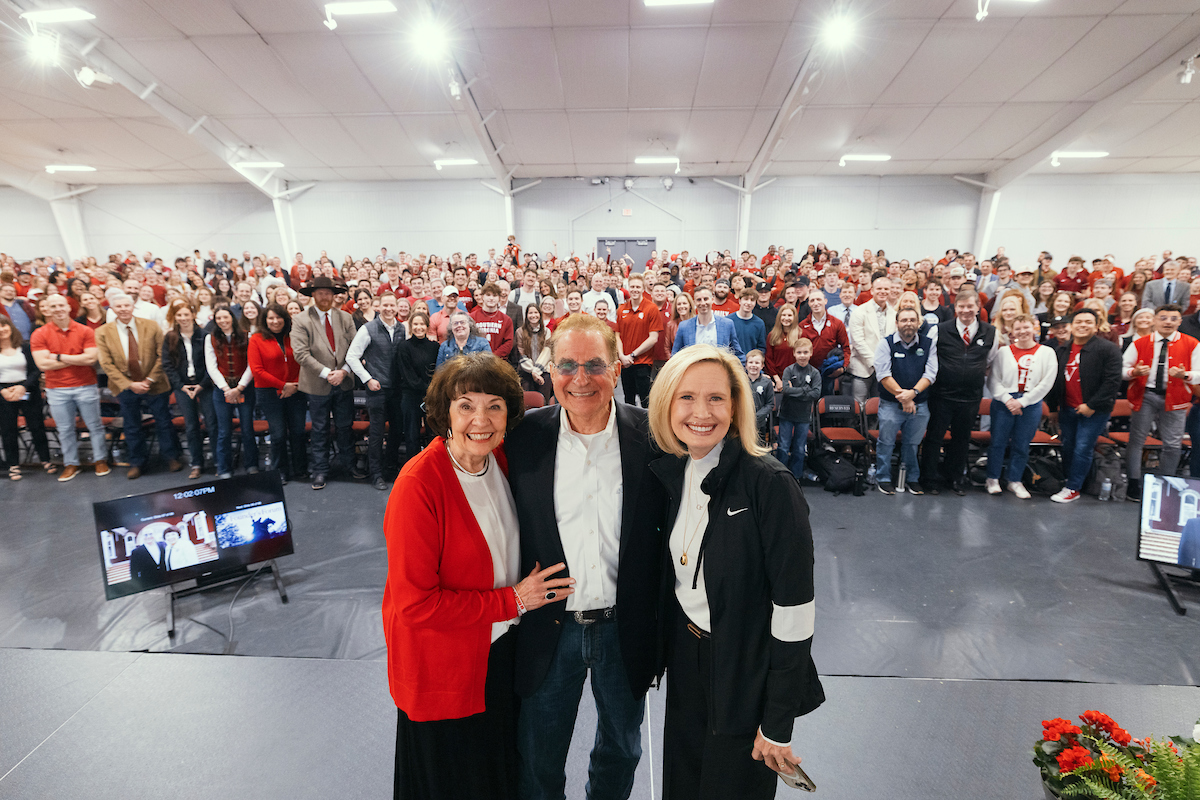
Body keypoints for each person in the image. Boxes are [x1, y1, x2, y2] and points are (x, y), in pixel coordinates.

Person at [382, 352, 573, 800]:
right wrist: (515, 601)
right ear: (444, 413)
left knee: (492, 776)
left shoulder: (500, 462)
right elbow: (416, 604)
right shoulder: (419, 485)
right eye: (466, 405)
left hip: (495, 657)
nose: (480, 419)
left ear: (509, 414)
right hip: (444, 670)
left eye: (494, 406)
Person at [646, 344, 823, 800]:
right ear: (666, 404)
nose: (700, 412)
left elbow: (794, 612)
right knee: (683, 783)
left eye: (716, 398)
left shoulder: (770, 485)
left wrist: (778, 723)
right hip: (687, 659)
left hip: (746, 669)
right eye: (686, 397)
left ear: (736, 405)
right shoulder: (675, 470)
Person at [504, 314, 667, 800]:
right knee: (539, 756)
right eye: (567, 365)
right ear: (549, 371)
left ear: (618, 368)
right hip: (550, 627)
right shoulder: (522, 437)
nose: (580, 379)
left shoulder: (654, 437)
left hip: (626, 626)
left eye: (594, 365)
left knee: (622, 750)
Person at [920, 289, 996, 496]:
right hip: (942, 394)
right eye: (961, 306)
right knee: (934, 438)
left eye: (970, 306)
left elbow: (989, 360)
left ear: (978, 307)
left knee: (961, 439)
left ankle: (954, 478)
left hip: (971, 396)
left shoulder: (990, 332)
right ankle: (929, 478)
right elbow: (930, 358)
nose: (965, 311)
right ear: (955, 308)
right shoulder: (939, 330)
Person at [96, 294, 181, 479]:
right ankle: (137, 462)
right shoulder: (102, 332)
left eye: (127, 305)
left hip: (155, 382)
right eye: (119, 306)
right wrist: (130, 384)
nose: (123, 309)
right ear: (112, 309)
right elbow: (106, 363)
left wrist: (149, 380)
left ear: (133, 306)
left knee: (164, 422)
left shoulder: (151, 326)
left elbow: (162, 355)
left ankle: (171, 457)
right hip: (125, 386)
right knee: (131, 425)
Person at [1121, 303, 1200, 500]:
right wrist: (1134, 372)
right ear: (1155, 320)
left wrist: (1185, 375)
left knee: (1172, 444)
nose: (1168, 322)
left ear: (1180, 322)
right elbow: (1122, 370)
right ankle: (1133, 482)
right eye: (1163, 318)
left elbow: (1199, 374)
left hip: (1176, 397)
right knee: (1137, 440)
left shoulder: (1192, 343)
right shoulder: (1140, 343)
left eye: (1173, 319)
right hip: (1145, 394)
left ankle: (1167, 481)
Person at [30, 294, 111, 482]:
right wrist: (76, 359)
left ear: (68, 307)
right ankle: (71, 463)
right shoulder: (40, 334)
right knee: (65, 429)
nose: (58, 309)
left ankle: (101, 459)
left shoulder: (85, 331)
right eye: (53, 306)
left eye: (61, 305)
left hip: (86, 385)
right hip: (56, 389)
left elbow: (91, 359)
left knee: (95, 426)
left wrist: (57, 357)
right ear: (47, 310)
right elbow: (42, 364)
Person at [1048, 308, 1123, 504]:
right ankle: (1071, 481)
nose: (1083, 325)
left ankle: (1073, 488)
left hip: (1095, 410)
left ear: (1096, 326)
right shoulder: (1061, 350)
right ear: (1071, 326)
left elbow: (1112, 382)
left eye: (1088, 322)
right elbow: (1055, 382)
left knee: (1082, 447)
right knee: (1068, 446)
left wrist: (1091, 405)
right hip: (1067, 408)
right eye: (1079, 322)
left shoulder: (1108, 349)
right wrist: (1054, 408)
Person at [292, 276, 359, 490]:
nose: (325, 297)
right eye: (320, 293)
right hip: (317, 384)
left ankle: (350, 465)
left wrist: (344, 371)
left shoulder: (345, 318)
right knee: (319, 429)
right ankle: (320, 470)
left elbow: (355, 348)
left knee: (345, 426)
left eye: (328, 293)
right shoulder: (302, 320)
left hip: (344, 381)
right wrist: (328, 373)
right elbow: (301, 354)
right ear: (313, 295)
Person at [984, 314, 1057, 498]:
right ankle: (992, 478)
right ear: (1011, 331)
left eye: (1026, 327)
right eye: (1018, 328)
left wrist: (1023, 402)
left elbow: (1047, 383)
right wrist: (1008, 399)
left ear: (1034, 329)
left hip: (1031, 403)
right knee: (998, 442)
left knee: (1022, 444)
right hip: (1004, 402)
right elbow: (993, 380)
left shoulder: (1047, 353)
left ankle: (1014, 480)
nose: (1022, 331)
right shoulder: (1003, 352)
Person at [874, 307, 938, 495]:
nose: (908, 323)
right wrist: (904, 396)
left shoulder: (928, 344)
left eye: (912, 320)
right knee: (886, 442)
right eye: (904, 320)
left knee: (912, 443)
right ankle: (883, 478)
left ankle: (912, 479)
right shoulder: (886, 344)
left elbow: (931, 373)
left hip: (919, 404)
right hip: (891, 404)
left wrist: (914, 393)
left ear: (918, 323)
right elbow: (883, 374)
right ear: (897, 323)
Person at [347, 292, 406, 490]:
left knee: (397, 431)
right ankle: (376, 474)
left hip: (397, 389)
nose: (389, 309)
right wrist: (368, 379)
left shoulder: (402, 329)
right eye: (386, 305)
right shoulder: (368, 329)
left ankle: (390, 466)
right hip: (377, 389)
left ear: (397, 307)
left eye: (393, 305)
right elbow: (352, 357)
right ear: (378, 306)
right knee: (377, 433)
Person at [248, 304, 308, 485]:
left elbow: (304, 360)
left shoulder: (294, 336)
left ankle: (301, 468)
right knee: (278, 434)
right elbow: (257, 370)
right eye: (271, 318)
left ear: (285, 318)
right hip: (269, 392)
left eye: (278, 317)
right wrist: (283, 385)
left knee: (298, 432)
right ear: (265, 321)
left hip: (296, 390)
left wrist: (295, 385)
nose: (275, 321)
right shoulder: (256, 339)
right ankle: (279, 471)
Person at [162, 301, 215, 480]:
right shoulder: (170, 337)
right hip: (183, 386)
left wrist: (202, 385)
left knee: (211, 423)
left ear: (193, 315)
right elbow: (167, 365)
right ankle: (197, 463)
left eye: (186, 314)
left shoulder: (205, 335)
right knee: (191, 426)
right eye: (179, 315)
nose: (183, 318)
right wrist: (181, 386)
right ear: (174, 318)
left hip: (205, 385)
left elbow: (212, 364)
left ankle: (217, 461)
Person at [205, 306, 259, 480]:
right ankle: (224, 468)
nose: (222, 321)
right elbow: (211, 366)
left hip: (244, 388)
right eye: (219, 318)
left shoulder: (247, 335)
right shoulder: (210, 338)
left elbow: (252, 364)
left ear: (232, 318)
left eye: (225, 317)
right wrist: (227, 389)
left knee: (247, 428)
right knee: (224, 431)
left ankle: (252, 465)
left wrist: (240, 387)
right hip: (222, 390)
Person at [0, 315, 52, 480]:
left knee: (36, 426)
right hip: (4, 393)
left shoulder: (25, 347)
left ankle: (45, 460)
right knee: (8, 430)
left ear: (10, 327)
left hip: (27, 390)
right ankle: (13, 465)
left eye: (4, 325)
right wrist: (3, 390)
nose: (2, 330)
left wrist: (23, 387)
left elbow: (36, 370)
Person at [393, 311, 439, 467]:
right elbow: (408, 375)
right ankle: (413, 467)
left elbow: (437, 371)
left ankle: (432, 465)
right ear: (411, 326)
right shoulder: (404, 347)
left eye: (422, 324)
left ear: (427, 326)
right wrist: (428, 387)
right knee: (412, 435)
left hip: (431, 397)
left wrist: (432, 391)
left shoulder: (434, 347)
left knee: (432, 434)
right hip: (410, 396)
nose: (419, 327)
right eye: (415, 324)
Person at [615, 273, 663, 408]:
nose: (635, 289)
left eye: (638, 287)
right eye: (632, 287)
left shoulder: (651, 308)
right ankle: (630, 428)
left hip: (643, 363)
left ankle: (647, 429)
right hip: (625, 363)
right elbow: (617, 336)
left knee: (645, 402)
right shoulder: (621, 309)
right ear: (628, 288)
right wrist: (622, 356)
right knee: (628, 400)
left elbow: (653, 338)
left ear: (643, 289)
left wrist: (632, 355)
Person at [847, 276, 896, 405]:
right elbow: (858, 341)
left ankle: (874, 426)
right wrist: (875, 362)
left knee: (879, 404)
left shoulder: (894, 313)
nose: (883, 291)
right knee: (858, 405)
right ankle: (856, 426)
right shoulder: (859, 311)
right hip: (863, 367)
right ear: (872, 291)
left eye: (886, 289)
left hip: (886, 368)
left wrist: (883, 364)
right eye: (879, 288)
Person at [777, 338, 821, 480]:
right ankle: (781, 475)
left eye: (805, 352)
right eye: (799, 352)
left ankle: (796, 476)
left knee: (800, 448)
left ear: (811, 353)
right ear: (794, 354)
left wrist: (794, 390)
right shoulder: (789, 370)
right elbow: (785, 390)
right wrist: (804, 391)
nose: (802, 355)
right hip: (787, 414)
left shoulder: (814, 373)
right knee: (783, 446)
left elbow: (816, 393)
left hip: (803, 416)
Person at [672, 287, 744, 364]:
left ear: (712, 299)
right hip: (694, 372)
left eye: (706, 299)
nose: (703, 303)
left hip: (719, 372)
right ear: (694, 303)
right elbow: (675, 355)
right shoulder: (684, 326)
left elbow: (738, 354)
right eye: (699, 300)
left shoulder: (727, 324)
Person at [515, 303, 552, 404]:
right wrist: (532, 371)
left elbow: (547, 352)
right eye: (530, 313)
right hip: (526, 370)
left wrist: (537, 371)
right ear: (526, 315)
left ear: (540, 314)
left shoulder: (546, 331)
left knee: (544, 398)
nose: (533, 315)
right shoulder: (520, 332)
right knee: (526, 400)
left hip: (543, 370)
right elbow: (521, 354)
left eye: (536, 312)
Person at [471, 283, 515, 359]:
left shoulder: (506, 320)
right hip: (476, 362)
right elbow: (469, 340)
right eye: (488, 295)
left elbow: (508, 343)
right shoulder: (472, 317)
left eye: (494, 295)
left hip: (498, 362)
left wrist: (492, 357)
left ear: (499, 298)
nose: (491, 298)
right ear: (482, 297)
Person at [745, 349, 774, 444]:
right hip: (743, 422)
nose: (753, 365)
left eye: (757, 363)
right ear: (746, 365)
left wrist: (756, 417)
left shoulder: (767, 382)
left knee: (758, 449)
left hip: (760, 423)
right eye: (751, 362)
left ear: (762, 366)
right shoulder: (740, 381)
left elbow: (770, 404)